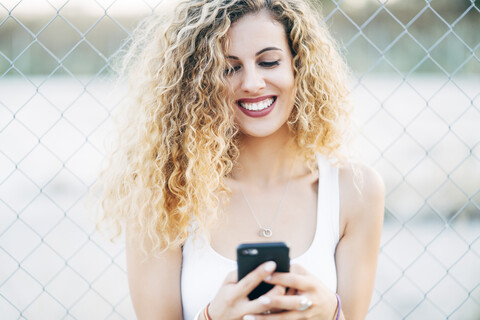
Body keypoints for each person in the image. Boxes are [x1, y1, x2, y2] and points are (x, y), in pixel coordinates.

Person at [96, 0, 385, 319]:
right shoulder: (163, 194)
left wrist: (331, 313)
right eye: (229, 68)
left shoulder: (356, 191)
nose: (252, 83)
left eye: (269, 62)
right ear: (198, 83)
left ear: (297, 65)